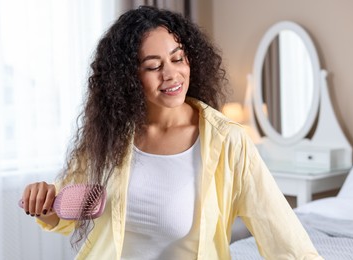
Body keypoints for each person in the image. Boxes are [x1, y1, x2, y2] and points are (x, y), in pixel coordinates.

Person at [21, 5, 323, 260]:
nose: (171, 74)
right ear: (128, 78)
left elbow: (282, 235)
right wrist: (43, 203)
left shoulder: (227, 140)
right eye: (153, 66)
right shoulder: (110, 133)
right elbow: (63, 215)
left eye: (178, 58)